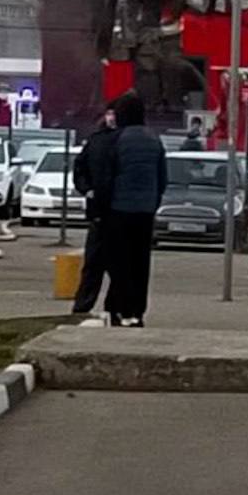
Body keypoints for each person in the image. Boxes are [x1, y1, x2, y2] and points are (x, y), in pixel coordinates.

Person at [103, 91, 167, 327]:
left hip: (119, 209)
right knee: (141, 261)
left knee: (119, 262)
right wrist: (153, 201)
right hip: (145, 210)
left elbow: (108, 175)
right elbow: (162, 177)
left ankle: (119, 308)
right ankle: (137, 311)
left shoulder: (117, 139)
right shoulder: (154, 140)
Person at [70, 104, 117, 315]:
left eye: (114, 114)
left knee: (118, 268)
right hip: (98, 213)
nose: (111, 118)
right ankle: (82, 308)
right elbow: (80, 168)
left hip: (118, 213)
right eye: (109, 113)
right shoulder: (96, 141)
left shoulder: (125, 141)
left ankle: (114, 309)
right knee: (92, 266)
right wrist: (86, 188)